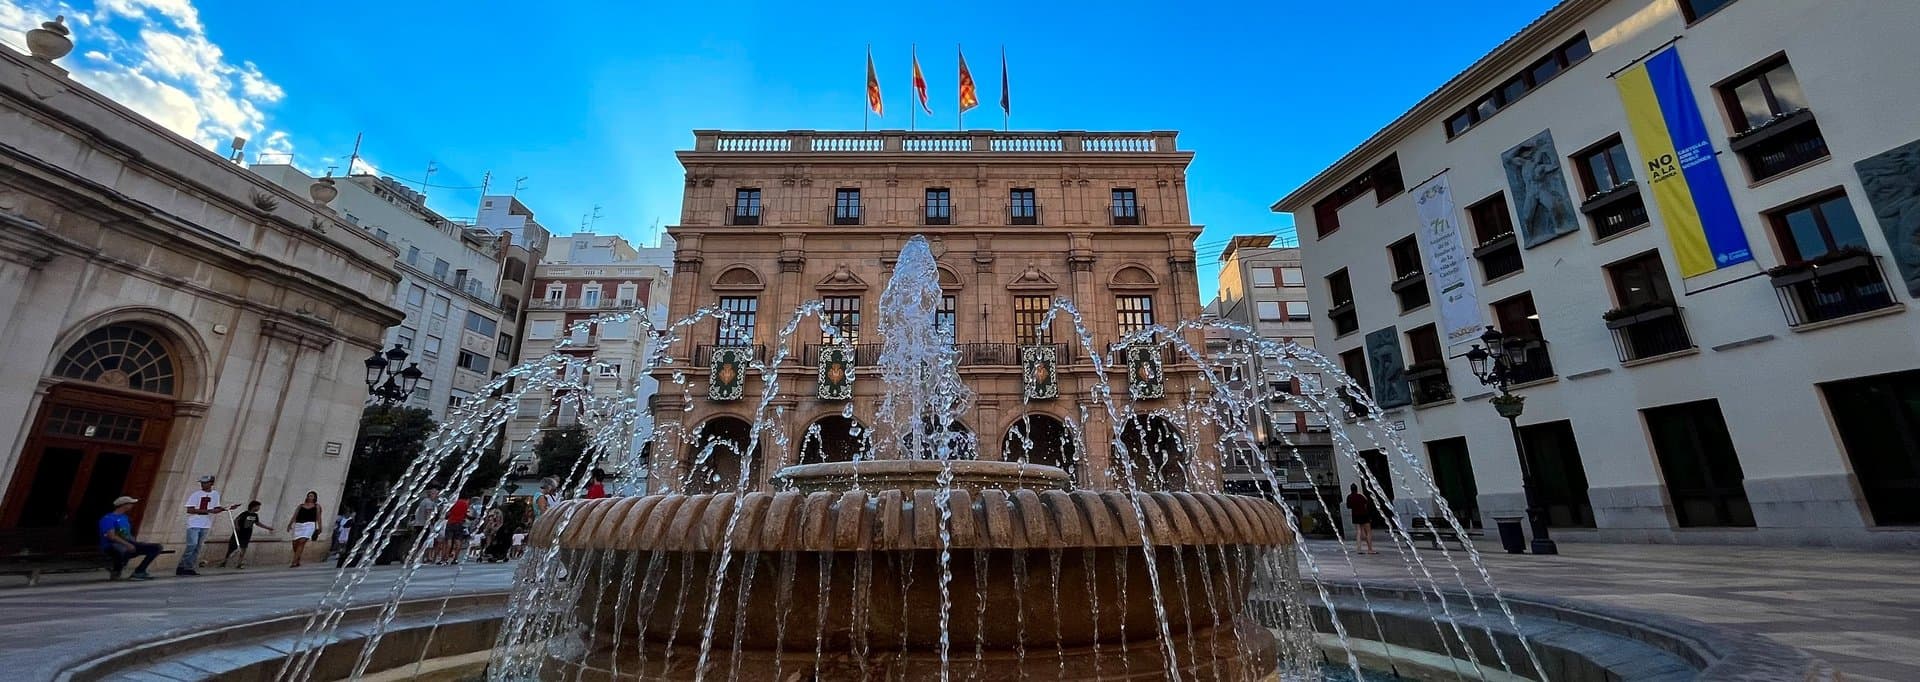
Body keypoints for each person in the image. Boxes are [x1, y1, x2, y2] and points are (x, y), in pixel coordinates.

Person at [181, 474, 239, 576]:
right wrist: (207, 510)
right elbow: (189, 510)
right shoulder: (196, 494)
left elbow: (215, 509)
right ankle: (183, 566)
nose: (203, 485)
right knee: (192, 545)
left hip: (206, 524)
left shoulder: (215, 494)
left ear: (211, 483)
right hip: (194, 523)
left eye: (205, 483)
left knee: (198, 546)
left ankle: (188, 567)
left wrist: (226, 508)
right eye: (202, 483)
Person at [101, 496, 162, 581]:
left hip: (127, 542)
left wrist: (135, 543)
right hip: (112, 545)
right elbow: (111, 536)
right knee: (121, 550)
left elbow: (126, 533)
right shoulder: (108, 518)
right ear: (124, 505)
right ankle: (117, 570)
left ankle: (139, 571)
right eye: (130, 503)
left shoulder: (124, 518)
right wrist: (128, 544)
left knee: (156, 548)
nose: (132, 505)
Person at [219, 501, 273, 569]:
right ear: (253, 506)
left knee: (244, 548)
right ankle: (224, 562)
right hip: (239, 533)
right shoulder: (245, 513)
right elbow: (236, 520)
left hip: (247, 534)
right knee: (232, 548)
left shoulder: (255, 515)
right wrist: (236, 527)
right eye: (258, 506)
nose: (259, 508)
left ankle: (239, 563)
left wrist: (268, 528)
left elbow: (258, 523)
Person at [286, 491, 322, 568]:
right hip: (299, 525)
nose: (310, 497)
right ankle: (298, 558)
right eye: (309, 496)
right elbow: (295, 515)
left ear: (315, 497)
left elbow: (318, 517)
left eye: (312, 496)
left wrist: (320, 527)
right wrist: (290, 524)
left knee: (302, 542)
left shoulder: (317, 506)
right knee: (295, 544)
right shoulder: (301, 506)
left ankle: (294, 562)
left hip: (309, 525)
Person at [438, 495, 472, 565]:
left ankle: (445, 559)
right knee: (458, 541)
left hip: (451, 523)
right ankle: (455, 559)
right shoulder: (466, 505)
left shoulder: (453, 502)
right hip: (459, 524)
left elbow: (447, 513)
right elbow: (467, 515)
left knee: (448, 541)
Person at [409, 488, 441, 561]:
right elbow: (428, 513)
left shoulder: (424, 501)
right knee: (425, 541)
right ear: (431, 494)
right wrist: (430, 523)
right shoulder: (429, 502)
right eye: (436, 494)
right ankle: (424, 557)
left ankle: (415, 557)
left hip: (419, 524)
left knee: (419, 541)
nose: (437, 496)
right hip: (424, 524)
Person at [1346, 483, 1378, 555]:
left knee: (1358, 531)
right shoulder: (1360, 496)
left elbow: (1348, 506)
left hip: (1355, 515)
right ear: (1357, 489)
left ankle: (1359, 549)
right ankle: (1370, 549)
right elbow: (1366, 503)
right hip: (1364, 514)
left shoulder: (1349, 497)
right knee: (1368, 531)